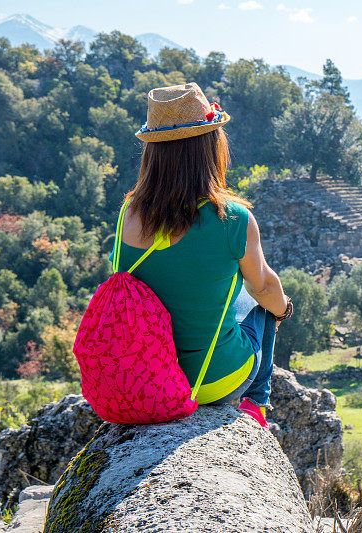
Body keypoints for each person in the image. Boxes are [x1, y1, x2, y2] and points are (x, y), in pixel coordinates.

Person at [110, 82, 292, 427]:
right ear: (212, 147)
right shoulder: (234, 218)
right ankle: (257, 402)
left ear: (153, 154)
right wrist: (283, 310)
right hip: (214, 383)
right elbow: (265, 287)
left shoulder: (128, 214)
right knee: (263, 300)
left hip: (152, 377)